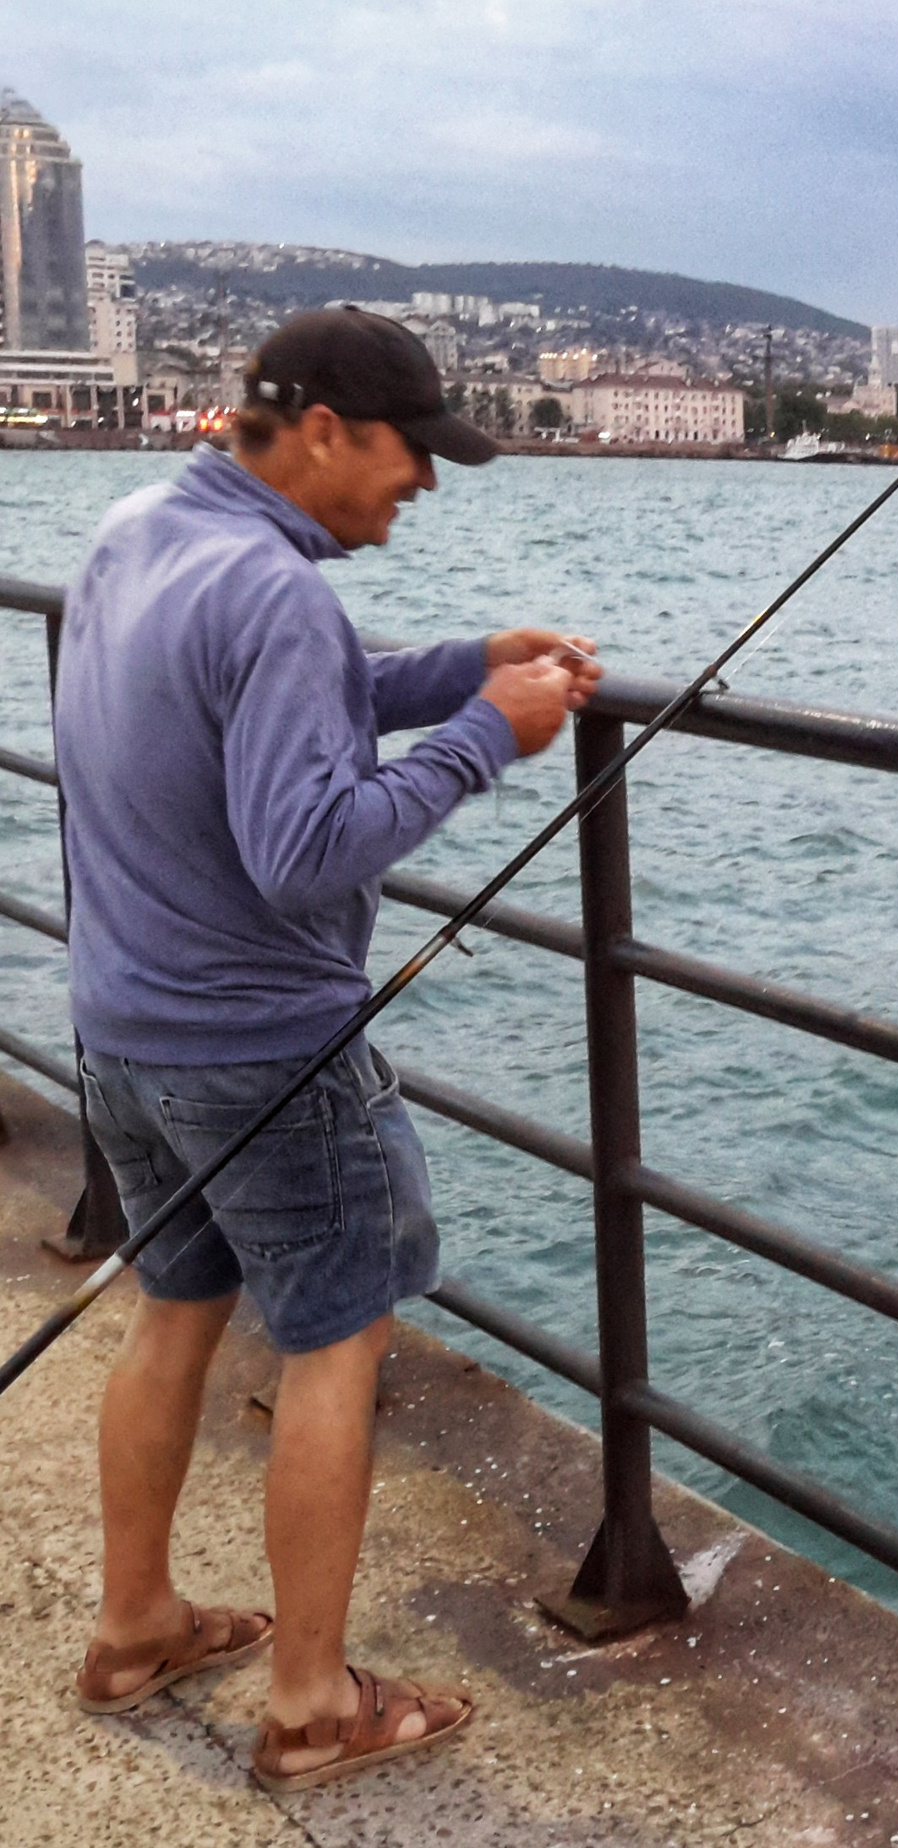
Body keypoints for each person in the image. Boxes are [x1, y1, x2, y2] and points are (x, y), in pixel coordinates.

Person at [52, 308, 604, 1790]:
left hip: (122, 1027)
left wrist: (460, 668)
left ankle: (135, 1626)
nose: (423, 481)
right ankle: (309, 1705)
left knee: (175, 1311)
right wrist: (486, 735)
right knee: (334, 1346)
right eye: (411, 452)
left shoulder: (139, 532)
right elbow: (303, 851)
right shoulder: (275, 591)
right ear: (323, 432)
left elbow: (266, 698)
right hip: (264, 1053)